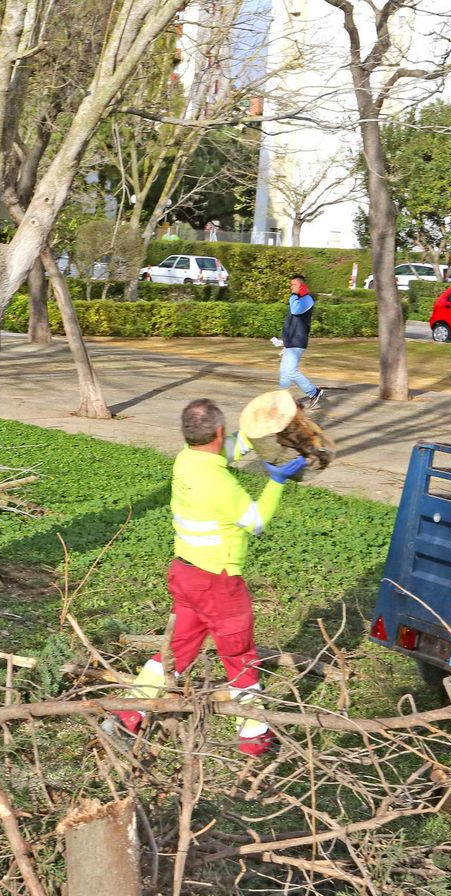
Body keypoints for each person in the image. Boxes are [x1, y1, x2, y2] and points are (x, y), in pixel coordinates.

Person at [113, 396, 306, 756]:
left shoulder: (188, 460)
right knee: (241, 656)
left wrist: (254, 433)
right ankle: (254, 740)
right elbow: (256, 520)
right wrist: (277, 481)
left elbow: (226, 450)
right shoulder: (217, 481)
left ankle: (125, 716)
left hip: (186, 574)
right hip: (219, 581)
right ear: (219, 430)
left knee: (175, 651)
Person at [273, 275, 323, 409]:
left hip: (298, 342)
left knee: (290, 371)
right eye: (291, 285)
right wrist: (284, 340)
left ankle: (314, 392)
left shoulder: (307, 299)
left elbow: (296, 310)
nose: (291, 288)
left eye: (294, 285)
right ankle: (284, 398)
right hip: (291, 342)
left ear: (301, 286)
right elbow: (291, 324)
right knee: (284, 372)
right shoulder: (297, 299)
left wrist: (293, 295)